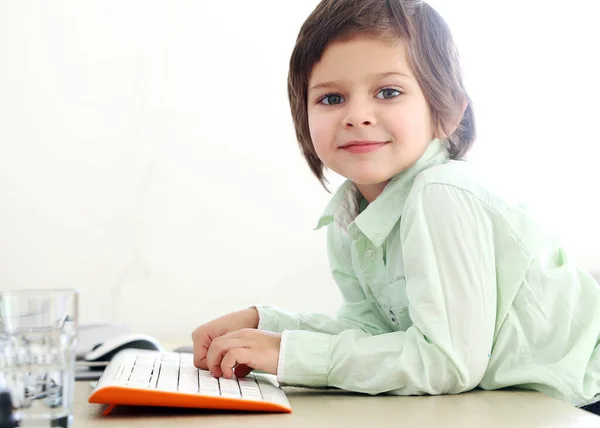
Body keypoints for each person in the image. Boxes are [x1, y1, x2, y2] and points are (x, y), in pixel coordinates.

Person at [191, 0, 600, 414]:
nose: (357, 115)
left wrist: (287, 354)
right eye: (331, 98)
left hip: (584, 400)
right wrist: (268, 325)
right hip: (522, 405)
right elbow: (372, 331)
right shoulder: (350, 215)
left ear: (447, 112)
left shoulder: (443, 192)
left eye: (388, 92)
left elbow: (448, 363)